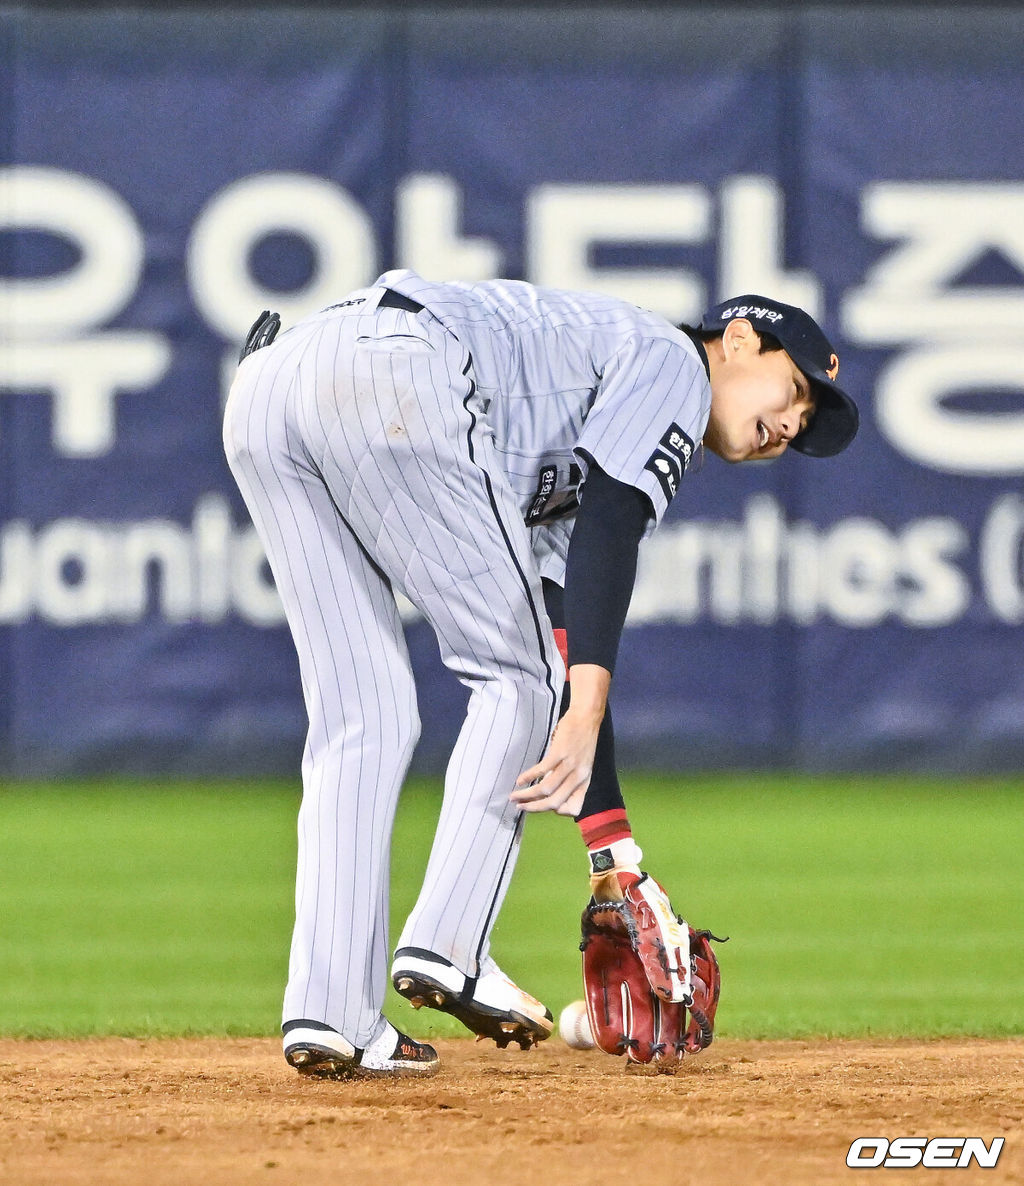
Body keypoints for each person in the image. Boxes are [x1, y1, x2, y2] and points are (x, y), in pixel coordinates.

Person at [222, 272, 858, 1079]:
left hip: (270, 389)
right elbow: (611, 529)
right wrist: (585, 705)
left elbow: (567, 614)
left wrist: (612, 853)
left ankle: (333, 1013)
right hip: (392, 366)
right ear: (737, 341)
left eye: (805, 425)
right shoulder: (670, 359)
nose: (792, 425)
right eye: (796, 389)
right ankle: (451, 947)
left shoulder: (581, 422)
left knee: (364, 714)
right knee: (516, 677)